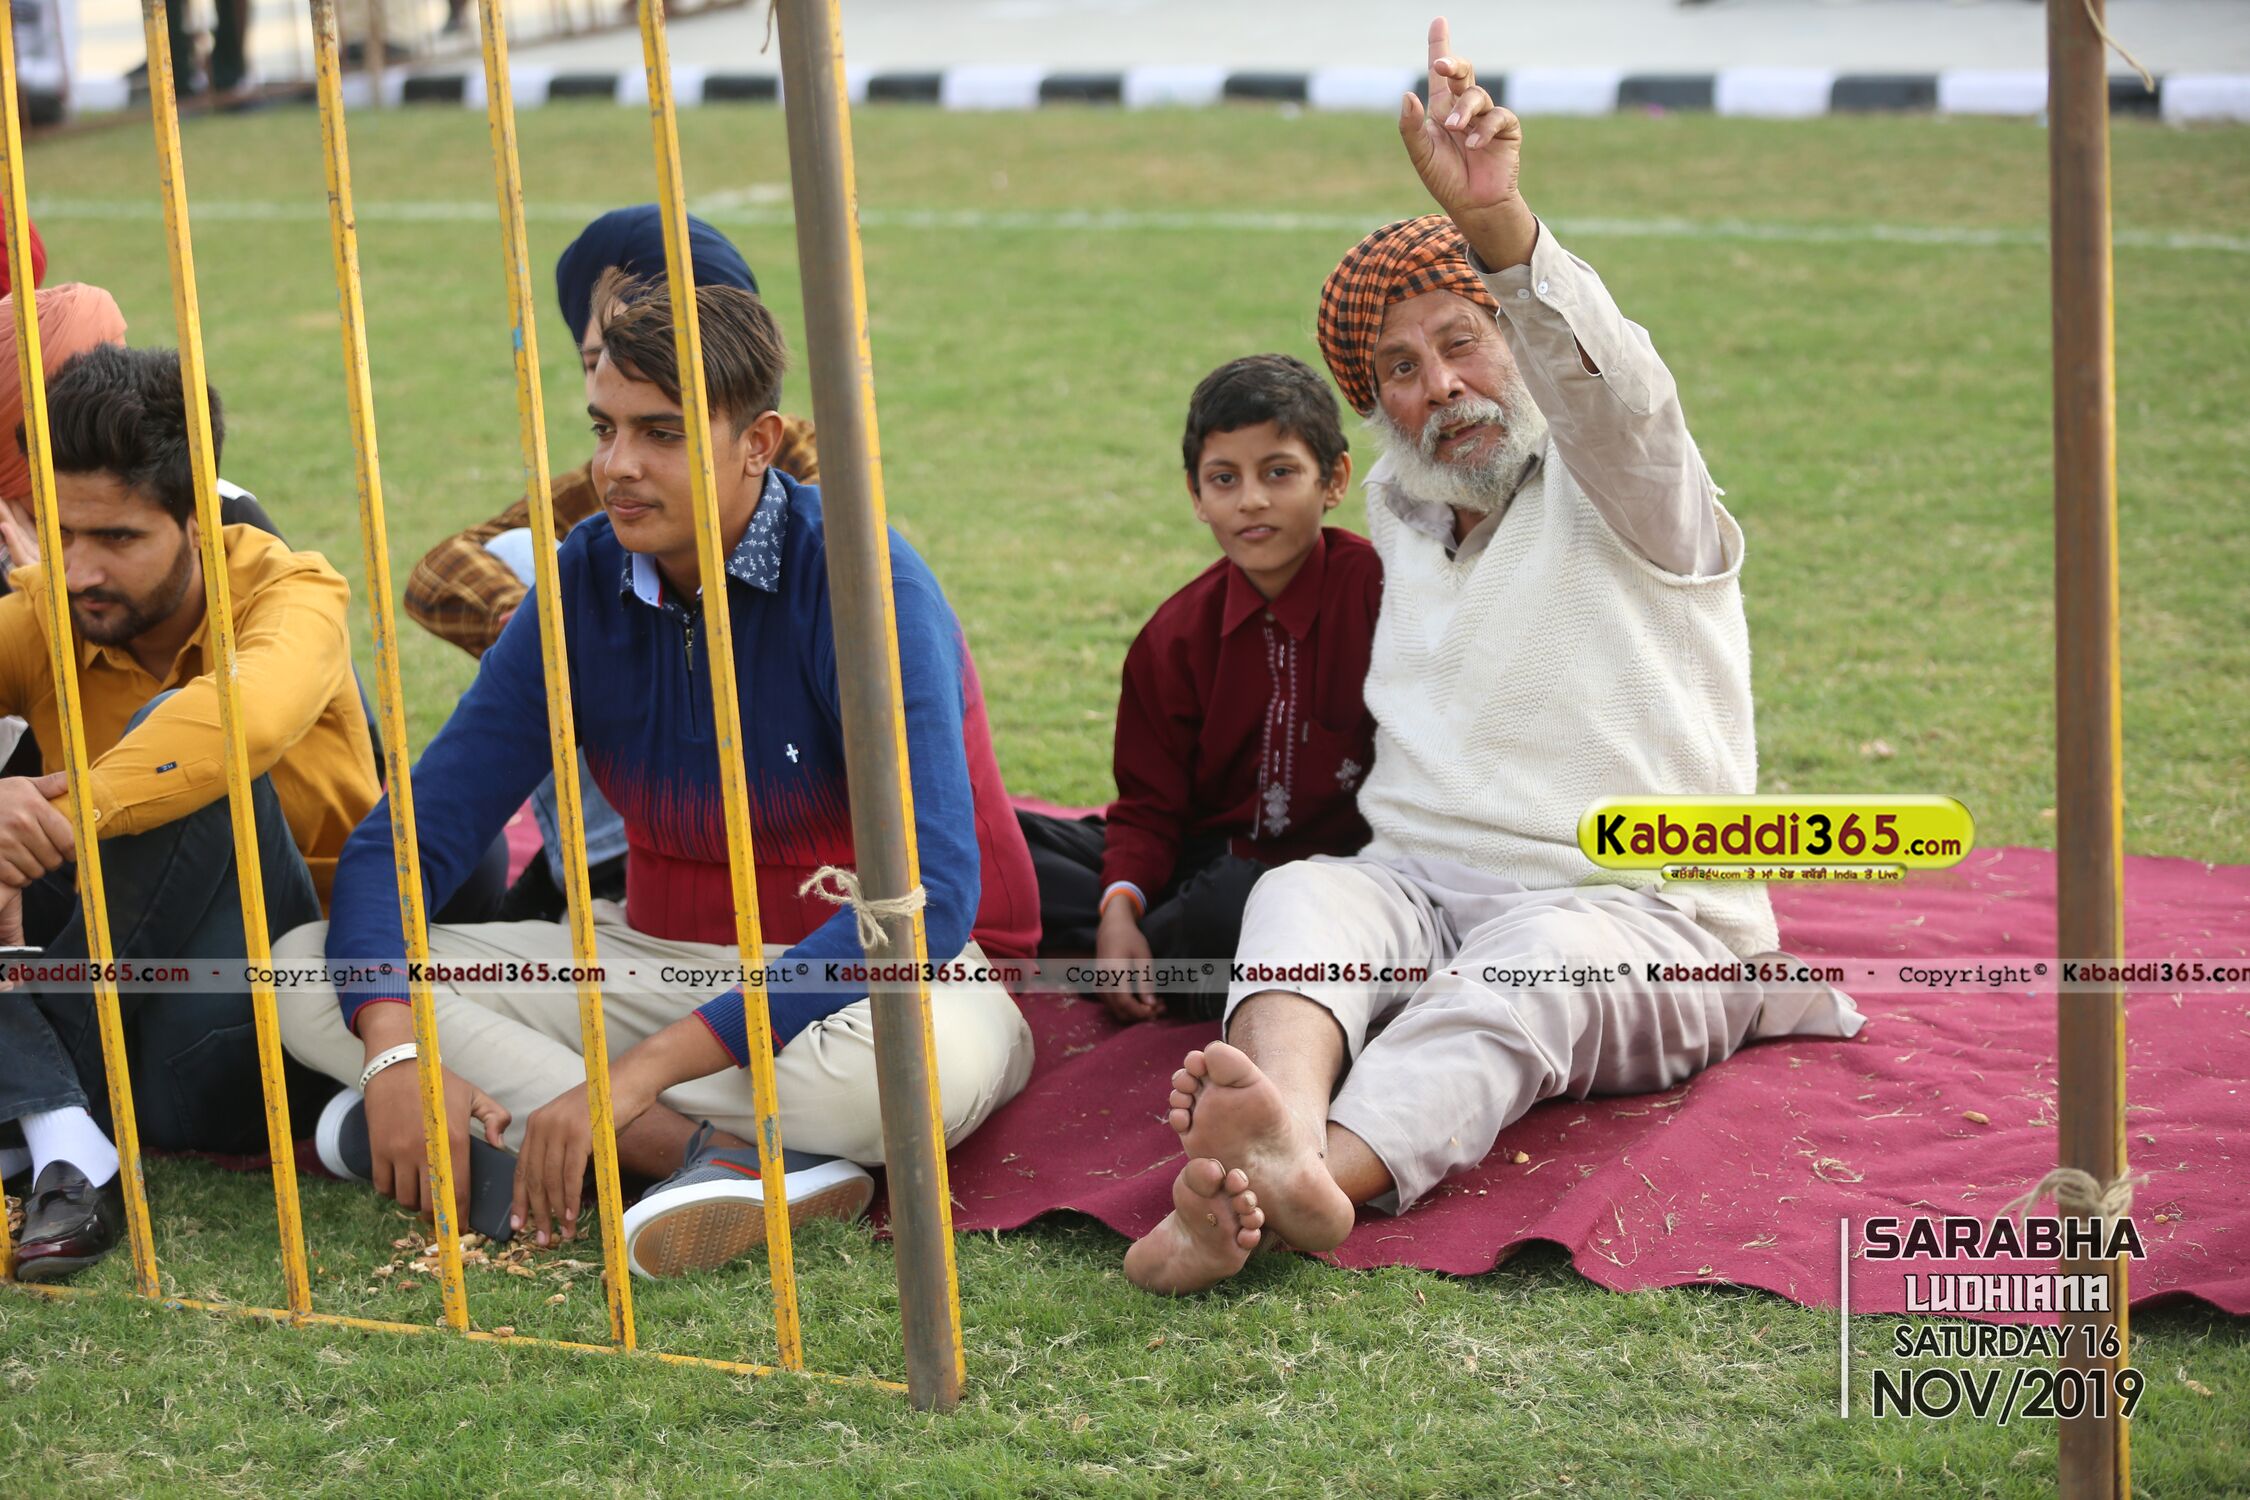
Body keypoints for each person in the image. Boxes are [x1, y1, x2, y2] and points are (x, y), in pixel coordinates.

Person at [1124, 20, 1863, 1295]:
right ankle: (1274, 1130)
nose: (1444, 386)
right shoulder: (1402, 509)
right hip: (1419, 884)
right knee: (1303, 900)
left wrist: (1501, 228)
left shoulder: (1629, 484)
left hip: (1641, 913)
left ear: (1514, 335)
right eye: (1400, 370)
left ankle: (1317, 1178)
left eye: (1463, 338)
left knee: (1526, 972)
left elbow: (1616, 390)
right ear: (1376, 411)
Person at [277, 283, 1039, 1278]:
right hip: (646, 957)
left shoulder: (862, 580)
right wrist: (392, 1050)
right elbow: (407, 842)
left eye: (662, 433)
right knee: (301, 971)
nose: (616, 466)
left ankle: (533, 1117)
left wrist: (639, 1071)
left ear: (758, 442)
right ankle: (696, 1157)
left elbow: (927, 901)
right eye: (605, 428)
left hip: (853, 981)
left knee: (903, 1081)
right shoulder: (581, 583)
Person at [0, 344, 381, 1282]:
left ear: (201, 521)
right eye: (59, 532)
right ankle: (62, 1132)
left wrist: (74, 809)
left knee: (193, 752)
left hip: (280, 1007)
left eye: (117, 538)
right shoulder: (47, 613)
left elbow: (247, 720)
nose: (77, 570)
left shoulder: (296, 593)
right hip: (117, 973)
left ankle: (35, 1105)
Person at [402, 206, 820, 921]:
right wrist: (542, 629)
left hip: (786, 844)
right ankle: (599, 871)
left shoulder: (804, 476)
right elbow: (440, 571)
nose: (622, 373)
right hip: (636, 822)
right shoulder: (612, 484)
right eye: (597, 361)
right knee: (534, 563)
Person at [1017, 354, 1380, 1022]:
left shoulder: (1382, 597)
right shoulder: (1173, 637)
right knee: (1004, 844)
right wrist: (1120, 908)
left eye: (1279, 472)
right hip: (1204, 862)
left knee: (1230, 906)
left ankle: (1138, 957)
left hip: (1347, 881)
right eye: (1224, 478)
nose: (1251, 500)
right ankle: (1135, 945)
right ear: (1196, 496)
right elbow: (1148, 808)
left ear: (1333, 480)